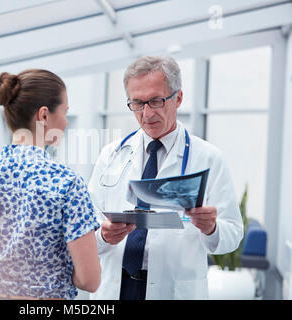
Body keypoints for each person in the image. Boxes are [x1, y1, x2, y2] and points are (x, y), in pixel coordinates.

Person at [88, 56, 243, 300]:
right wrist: (104, 236)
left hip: (173, 290)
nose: (146, 113)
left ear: (178, 98)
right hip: (116, 286)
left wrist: (211, 227)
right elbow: (87, 229)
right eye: (137, 103)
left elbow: (232, 235)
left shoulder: (209, 158)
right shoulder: (112, 154)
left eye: (156, 101)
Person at [0, 69, 101, 300]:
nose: (66, 122)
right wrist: (54, 270)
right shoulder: (67, 183)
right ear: (44, 115)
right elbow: (89, 280)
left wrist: (1, 265)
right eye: (65, 112)